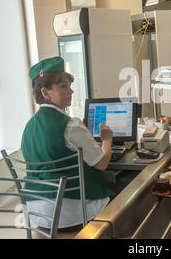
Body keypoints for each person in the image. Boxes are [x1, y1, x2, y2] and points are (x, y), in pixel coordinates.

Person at [21, 56, 115, 232]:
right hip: (70, 213)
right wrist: (107, 139)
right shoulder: (71, 125)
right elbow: (102, 164)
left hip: (38, 213)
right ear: (45, 93)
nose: (71, 91)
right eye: (63, 86)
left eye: (69, 86)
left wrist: (81, 131)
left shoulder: (29, 126)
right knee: (123, 196)